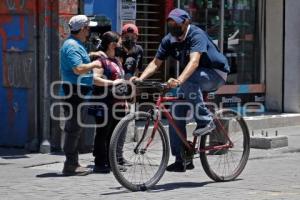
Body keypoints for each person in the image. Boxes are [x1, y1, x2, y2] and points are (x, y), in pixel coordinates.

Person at [131, 8, 230, 172]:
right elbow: (156, 63)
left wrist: (178, 80)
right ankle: (182, 159)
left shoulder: (196, 35)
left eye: (175, 22)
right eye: (170, 22)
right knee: (175, 112)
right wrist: (141, 79)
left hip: (215, 73)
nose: (172, 25)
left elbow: (194, 62)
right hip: (194, 78)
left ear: (186, 22)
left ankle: (205, 121)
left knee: (189, 79)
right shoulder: (169, 40)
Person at [60, 15, 102, 176]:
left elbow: (79, 62)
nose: (89, 31)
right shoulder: (71, 45)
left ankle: (73, 163)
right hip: (74, 93)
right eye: (88, 28)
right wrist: (94, 63)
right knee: (73, 130)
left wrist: (91, 55)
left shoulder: (77, 44)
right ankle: (70, 165)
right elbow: (77, 69)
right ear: (82, 29)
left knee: (75, 129)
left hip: (78, 92)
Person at [91, 31, 128, 173]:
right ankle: (100, 163)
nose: (121, 45)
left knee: (114, 134)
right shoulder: (101, 61)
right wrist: (113, 82)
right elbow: (95, 79)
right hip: (105, 104)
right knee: (103, 133)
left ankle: (112, 162)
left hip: (118, 104)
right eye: (119, 43)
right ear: (112, 45)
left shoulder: (117, 61)